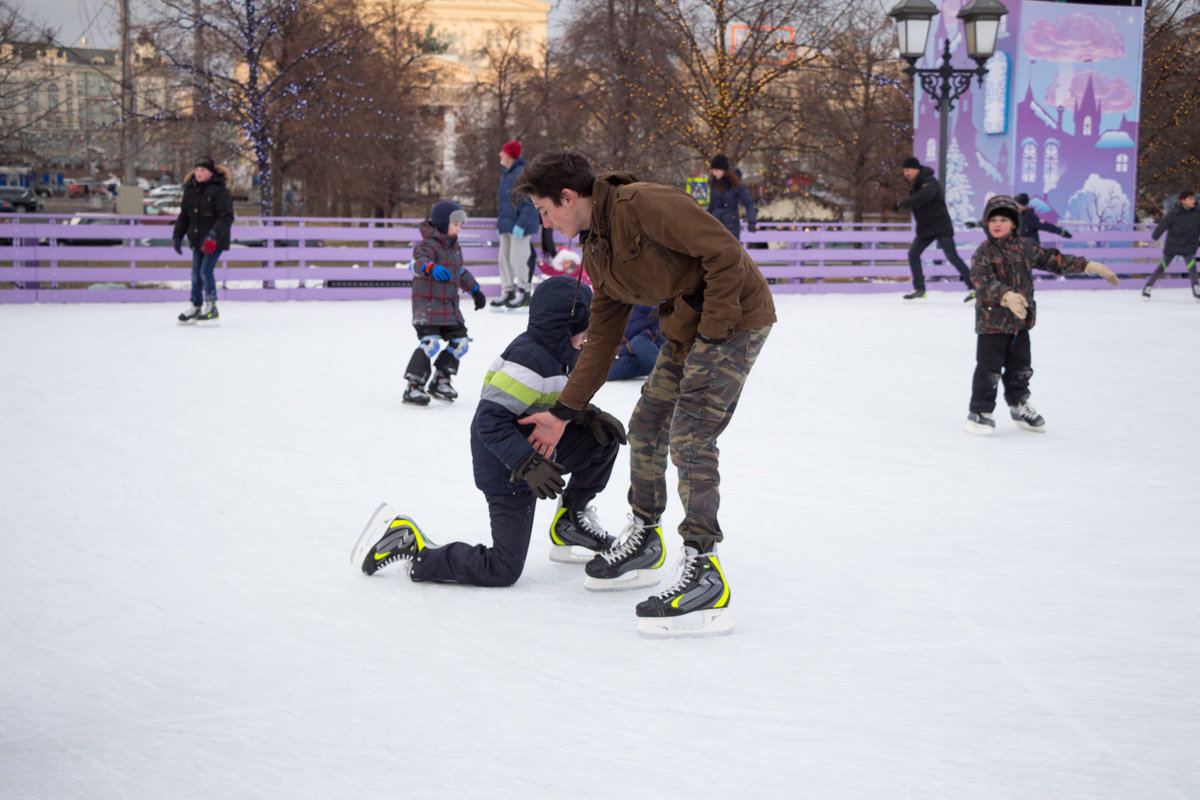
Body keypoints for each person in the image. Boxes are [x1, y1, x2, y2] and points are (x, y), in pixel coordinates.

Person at [513, 151, 776, 638]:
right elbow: (603, 337)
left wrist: (714, 335)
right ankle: (645, 538)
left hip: (734, 319)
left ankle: (704, 572)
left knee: (691, 436)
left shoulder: (644, 204)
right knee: (646, 425)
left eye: (545, 210)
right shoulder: (598, 249)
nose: (544, 221)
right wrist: (563, 412)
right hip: (688, 329)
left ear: (569, 198)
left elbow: (724, 253)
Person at [352, 276, 627, 586]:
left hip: (534, 453)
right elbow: (488, 421)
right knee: (503, 569)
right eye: (585, 329)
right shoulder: (530, 360)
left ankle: (572, 521)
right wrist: (528, 465)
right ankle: (414, 548)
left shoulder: (561, 355)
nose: (588, 337)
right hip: (504, 468)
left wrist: (587, 415)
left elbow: (546, 404)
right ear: (565, 325)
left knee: (601, 439)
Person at [964, 196, 1118, 436]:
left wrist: (1088, 266)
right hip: (992, 322)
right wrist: (1006, 296)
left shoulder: (1026, 247)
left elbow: (1054, 260)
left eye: (1003, 219)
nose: (997, 224)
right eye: (993, 219)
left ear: (1014, 223)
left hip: (1020, 322)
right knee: (989, 369)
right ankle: (980, 411)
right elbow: (981, 281)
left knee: (1020, 367)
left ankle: (1019, 405)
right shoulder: (983, 252)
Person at [403, 200, 487, 406]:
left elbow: (460, 272)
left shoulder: (455, 248)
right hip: (428, 308)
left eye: (460, 225)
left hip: (449, 309)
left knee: (461, 344)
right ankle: (414, 386)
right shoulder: (427, 245)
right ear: (442, 223)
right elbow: (417, 263)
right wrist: (430, 267)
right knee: (430, 344)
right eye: (456, 224)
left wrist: (475, 290)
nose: (459, 229)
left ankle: (441, 379)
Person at [895, 156, 973, 302]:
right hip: (926, 227)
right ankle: (919, 289)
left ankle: (974, 286)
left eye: (908, 170)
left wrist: (903, 204)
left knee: (952, 257)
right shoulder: (916, 184)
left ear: (916, 169)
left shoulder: (929, 182)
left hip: (940, 225)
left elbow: (925, 196)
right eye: (904, 170)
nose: (905, 173)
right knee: (913, 254)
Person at [173, 156, 234, 324]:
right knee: (195, 275)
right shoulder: (190, 190)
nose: (199, 173)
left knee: (205, 272)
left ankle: (211, 307)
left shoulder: (220, 191)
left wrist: (213, 235)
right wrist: (177, 235)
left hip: (215, 240)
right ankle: (195, 306)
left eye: (203, 170)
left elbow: (227, 217)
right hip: (197, 239)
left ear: (211, 172)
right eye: (197, 170)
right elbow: (184, 216)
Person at [492, 140, 539, 311]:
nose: (500, 154)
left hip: (520, 226)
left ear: (510, 154)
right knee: (503, 259)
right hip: (507, 225)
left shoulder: (522, 173)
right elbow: (504, 204)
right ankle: (508, 291)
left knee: (518, 259)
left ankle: (525, 293)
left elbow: (529, 202)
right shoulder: (506, 174)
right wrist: (501, 225)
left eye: (502, 152)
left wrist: (521, 224)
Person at [1142, 190, 1199, 300]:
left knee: (1192, 267)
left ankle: (1196, 288)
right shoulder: (1174, 213)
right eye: (1190, 199)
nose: (1193, 201)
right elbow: (1163, 225)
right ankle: (1148, 286)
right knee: (1163, 266)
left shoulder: (1197, 213)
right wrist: (1155, 236)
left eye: (1193, 198)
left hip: (1188, 245)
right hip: (1173, 245)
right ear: (1183, 201)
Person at [607, 305, 665, 381]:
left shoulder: (651, 306)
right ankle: (656, 368)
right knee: (609, 373)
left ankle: (668, 371)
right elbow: (618, 346)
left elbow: (658, 331)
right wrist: (628, 347)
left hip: (654, 350)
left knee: (638, 341)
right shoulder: (619, 314)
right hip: (634, 356)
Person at [706, 154, 756, 241]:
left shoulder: (735, 184)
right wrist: (703, 220)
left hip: (731, 223)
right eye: (713, 170)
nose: (714, 173)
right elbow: (711, 205)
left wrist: (751, 221)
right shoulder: (713, 183)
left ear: (723, 169)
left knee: (730, 250)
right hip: (716, 222)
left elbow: (749, 203)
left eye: (717, 170)